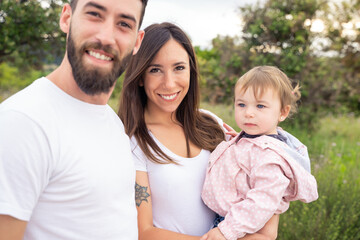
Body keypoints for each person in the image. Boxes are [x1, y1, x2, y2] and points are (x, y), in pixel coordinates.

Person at [0, 0, 147, 239]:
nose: (106, 37)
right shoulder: (23, 122)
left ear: (137, 41)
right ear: (66, 18)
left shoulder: (111, 122)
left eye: (123, 24)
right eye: (94, 14)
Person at [118, 22, 279, 240]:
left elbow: (258, 173)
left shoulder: (210, 123)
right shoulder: (133, 142)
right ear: (139, 76)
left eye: (179, 68)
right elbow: (143, 232)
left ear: (191, 71)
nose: (169, 82)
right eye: (155, 70)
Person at [201, 66, 319, 240]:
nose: (248, 113)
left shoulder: (269, 156)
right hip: (230, 221)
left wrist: (227, 231)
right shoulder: (252, 140)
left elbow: (263, 200)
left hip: (240, 227)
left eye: (260, 106)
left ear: (282, 112)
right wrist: (237, 144)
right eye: (241, 104)